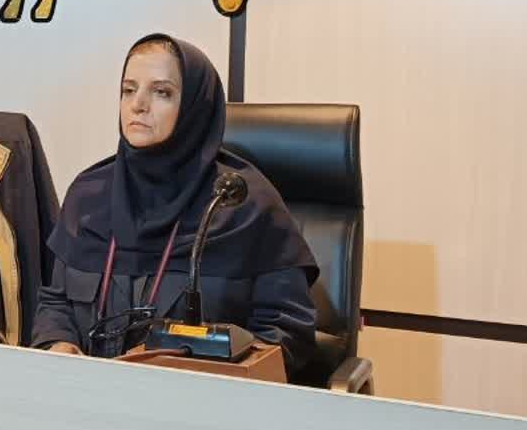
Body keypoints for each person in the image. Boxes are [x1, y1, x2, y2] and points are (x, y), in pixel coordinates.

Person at [30, 35, 318, 375]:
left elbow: (285, 333)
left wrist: (208, 372)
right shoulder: (88, 195)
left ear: (195, 106)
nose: (138, 105)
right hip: (87, 393)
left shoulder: (242, 204)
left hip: (202, 400)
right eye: (128, 90)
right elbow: (56, 302)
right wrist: (59, 343)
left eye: (161, 92)